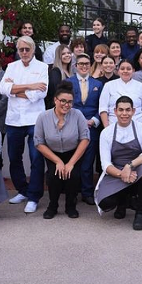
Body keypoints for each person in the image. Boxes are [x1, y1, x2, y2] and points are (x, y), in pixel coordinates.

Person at [0, 35, 49, 213]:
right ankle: (22, 190)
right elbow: (3, 89)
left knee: (36, 158)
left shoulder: (43, 67)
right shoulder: (11, 67)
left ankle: (34, 196)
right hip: (14, 120)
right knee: (14, 157)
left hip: (35, 119)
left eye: (27, 49)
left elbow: (40, 94)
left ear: (33, 49)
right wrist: (30, 86)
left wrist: (16, 89)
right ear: (18, 51)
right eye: (21, 49)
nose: (24, 52)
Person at [94, 95, 142, 231]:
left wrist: (130, 166)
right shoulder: (106, 133)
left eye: (128, 110)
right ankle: (124, 201)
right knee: (105, 203)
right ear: (115, 111)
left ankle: (140, 213)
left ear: (133, 111)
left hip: (138, 167)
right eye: (121, 110)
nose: (124, 114)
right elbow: (105, 164)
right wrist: (122, 174)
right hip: (116, 170)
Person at [34, 81, 90, 219]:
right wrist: (58, 161)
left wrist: (70, 163)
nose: (66, 105)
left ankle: (71, 206)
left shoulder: (77, 115)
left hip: (73, 152)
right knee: (53, 177)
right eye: (63, 101)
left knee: (73, 176)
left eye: (70, 102)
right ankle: (52, 205)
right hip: (52, 153)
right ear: (55, 100)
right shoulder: (43, 117)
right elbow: (38, 142)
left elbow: (85, 139)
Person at [67, 53, 103, 206]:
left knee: (88, 162)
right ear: (75, 66)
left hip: (91, 127)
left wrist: (94, 120)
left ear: (90, 65)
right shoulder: (68, 82)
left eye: (86, 64)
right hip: (72, 127)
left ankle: (87, 193)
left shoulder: (98, 84)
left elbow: (102, 107)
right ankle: (72, 193)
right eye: (81, 64)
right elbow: (64, 105)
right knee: (73, 160)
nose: (83, 66)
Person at [98, 59, 142, 128]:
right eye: (122, 69)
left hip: (137, 126)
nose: (125, 71)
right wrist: (107, 128)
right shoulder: (108, 85)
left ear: (133, 71)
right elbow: (103, 108)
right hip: (113, 126)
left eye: (128, 69)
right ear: (118, 71)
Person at [45, 45, 73, 110]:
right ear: (58, 56)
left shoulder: (70, 72)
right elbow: (56, 92)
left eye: (69, 53)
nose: (67, 55)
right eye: (63, 54)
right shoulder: (55, 72)